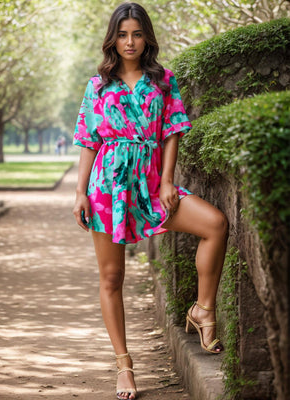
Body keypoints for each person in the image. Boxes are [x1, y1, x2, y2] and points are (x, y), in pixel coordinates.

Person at [72, 3, 228, 399]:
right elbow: (90, 143)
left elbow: (173, 131)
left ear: (147, 38)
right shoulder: (98, 85)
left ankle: (203, 309)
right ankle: (124, 366)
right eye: (122, 34)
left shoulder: (163, 81)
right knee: (111, 279)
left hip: (152, 182)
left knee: (214, 224)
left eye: (137, 34)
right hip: (108, 188)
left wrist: (167, 181)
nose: (129, 42)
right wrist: (80, 193)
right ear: (113, 38)